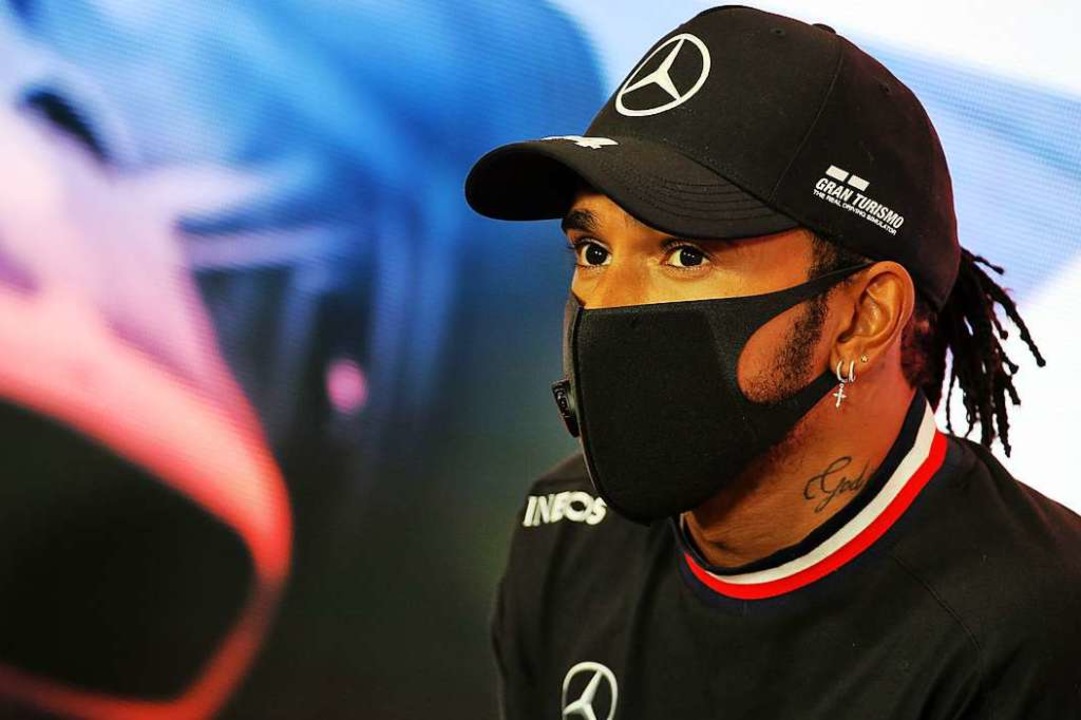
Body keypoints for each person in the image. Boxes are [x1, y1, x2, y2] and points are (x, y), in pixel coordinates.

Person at [464, 5, 1081, 719]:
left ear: (863, 317)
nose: (604, 305)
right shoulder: (566, 531)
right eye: (592, 251)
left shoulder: (1034, 630)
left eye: (686, 255)